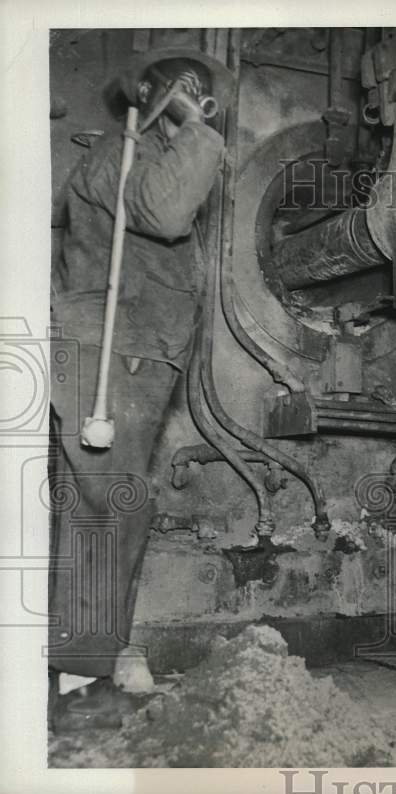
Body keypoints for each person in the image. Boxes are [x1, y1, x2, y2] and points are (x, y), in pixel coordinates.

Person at [48, 49, 234, 731]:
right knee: (105, 508)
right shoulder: (125, 153)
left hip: (132, 353)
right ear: (164, 94)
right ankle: (79, 685)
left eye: (207, 98)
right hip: (108, 352)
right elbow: (163, 212)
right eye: (191, 93)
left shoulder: (147, 153)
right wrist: (199, 131)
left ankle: (95, 662)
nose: (204, 104)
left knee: (118, 505)